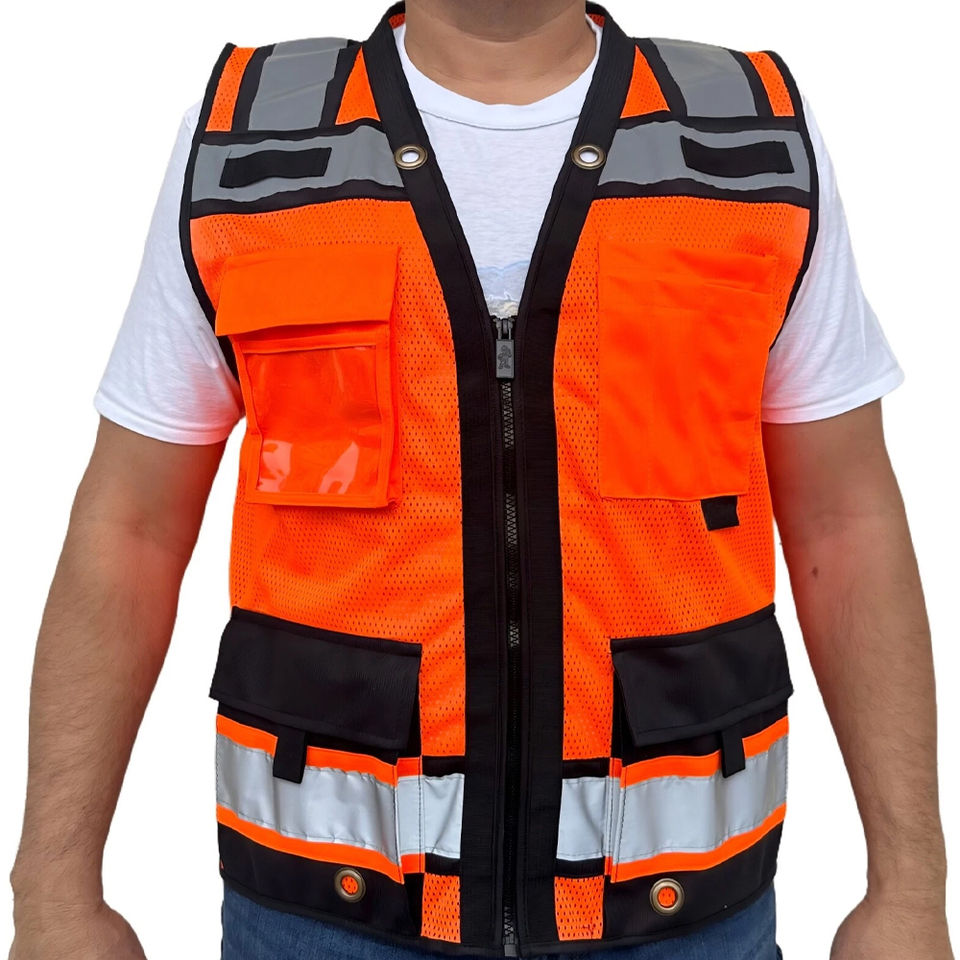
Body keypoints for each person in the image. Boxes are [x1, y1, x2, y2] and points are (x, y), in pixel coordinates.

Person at [8, 1, 953, 958]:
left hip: (680, 912)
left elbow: (846, 522)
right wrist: (52, 892)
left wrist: (911, 890)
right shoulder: (247, 145)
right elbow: (130, 527)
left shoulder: (750, 144)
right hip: (321, 912)